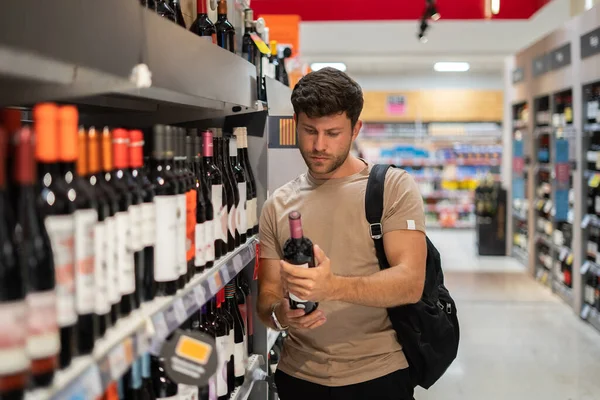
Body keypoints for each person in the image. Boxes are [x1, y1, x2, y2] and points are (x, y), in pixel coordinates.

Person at [257, 67, 427, 400]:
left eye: (333, 133)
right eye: (309, 130)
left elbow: (411, 283)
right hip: (298, 376)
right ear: (295, 123)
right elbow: (266, 300)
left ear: (355, 129)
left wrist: (333, 286)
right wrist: (281, 315)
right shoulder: (278, 204)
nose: (319, 145)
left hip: (379, 375)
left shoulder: (392, 188)